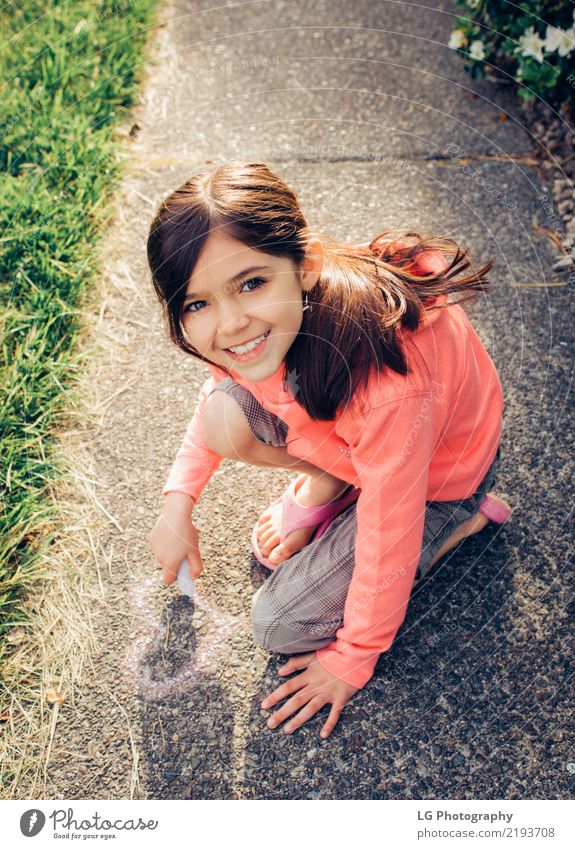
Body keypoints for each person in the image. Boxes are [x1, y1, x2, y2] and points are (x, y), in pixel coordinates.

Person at [147, 160, 510, 739]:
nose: (232, 323)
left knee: (279, 623)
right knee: (224, 415)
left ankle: (458, 524)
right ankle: (336, 482)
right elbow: (218, 391)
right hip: (380, 448)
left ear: (305, 264)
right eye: (198, 304)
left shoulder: (386, 389)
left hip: (441, 478)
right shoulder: (279, 325)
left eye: (251, 283)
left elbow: (389, 531)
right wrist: (178, 503)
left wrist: (352, 658)